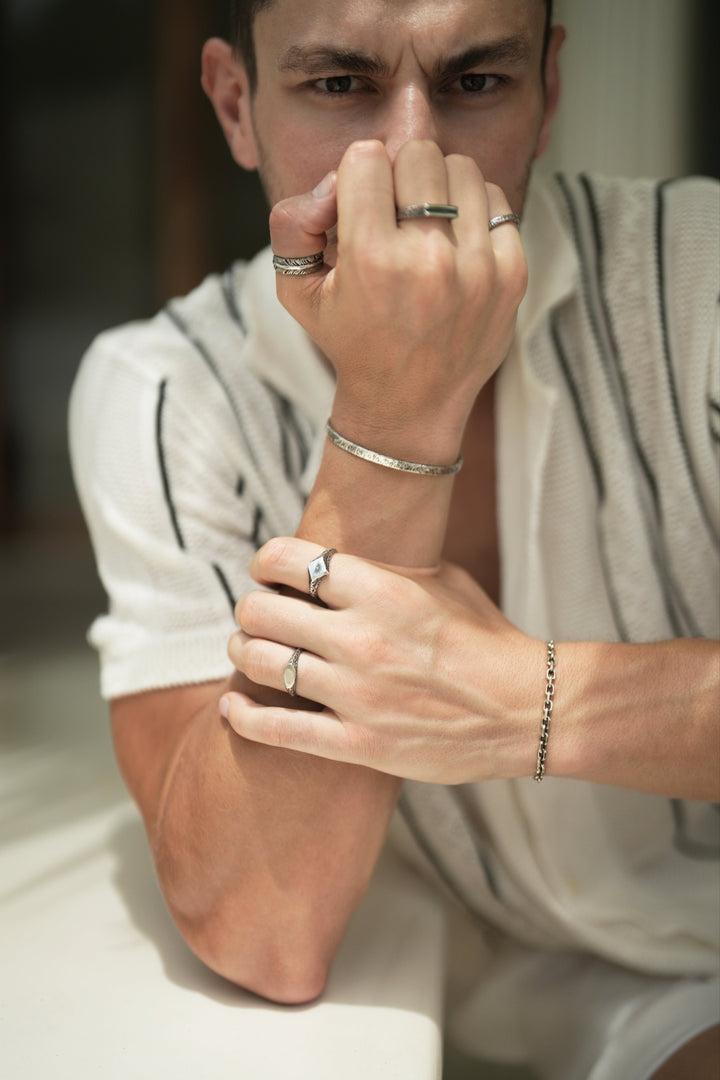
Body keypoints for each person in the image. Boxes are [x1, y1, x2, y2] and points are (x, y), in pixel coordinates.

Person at [69, 1, 720, 1076]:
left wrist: (530, 703)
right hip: (575, 1012)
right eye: (340, 87)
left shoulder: (697, 280)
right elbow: (260, 929)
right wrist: (395, 407)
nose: (414, 155)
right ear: (237, 105)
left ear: (549, 89)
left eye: (475, 84)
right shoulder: (165, 392)